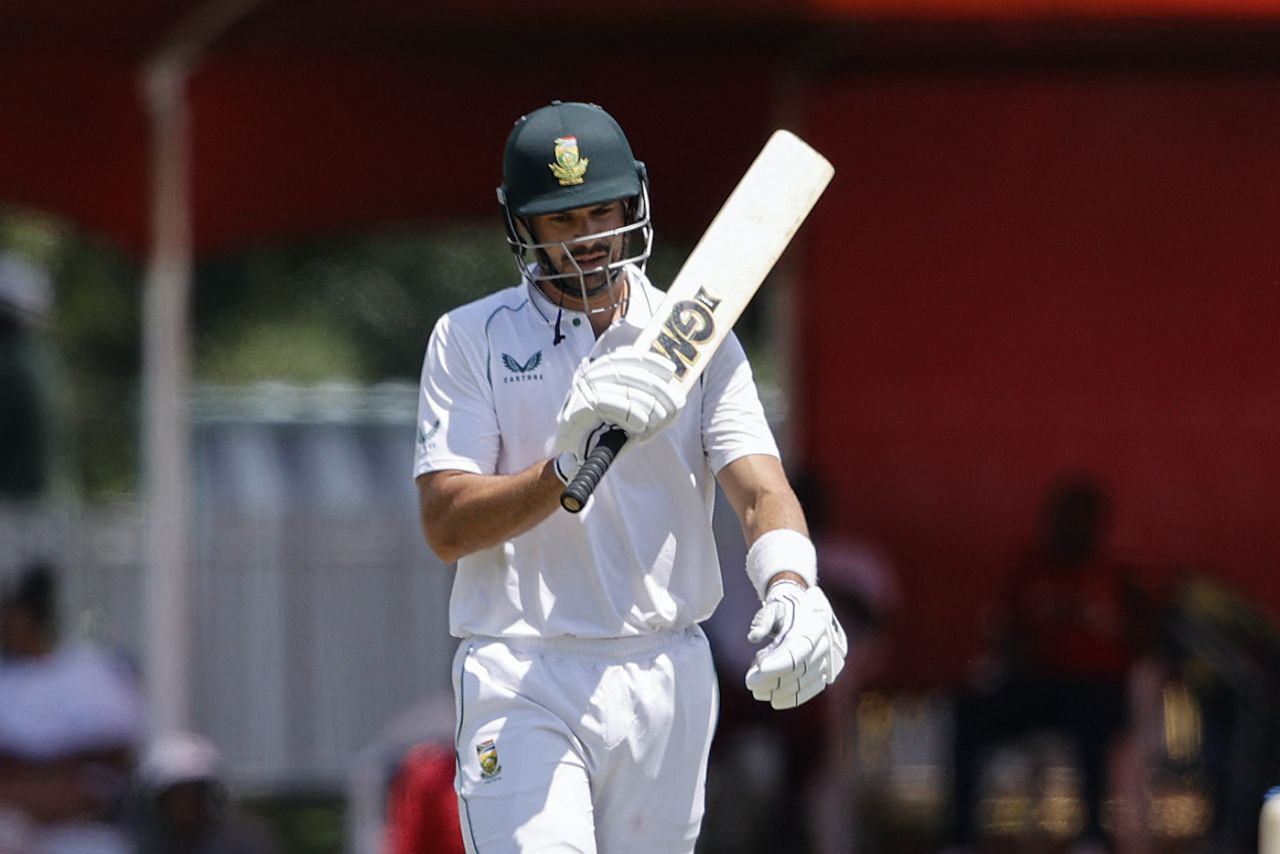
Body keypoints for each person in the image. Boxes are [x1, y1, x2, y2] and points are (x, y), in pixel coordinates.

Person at [413, 100, 848, 853]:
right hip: (525, 672)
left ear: (634, 200)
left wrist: (792, 583)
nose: (589, 239)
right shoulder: (470, 339)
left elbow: (760, 489)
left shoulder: (697, 333)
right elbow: (447, 525)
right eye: (563, 221)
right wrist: (561, 470)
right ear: (523, 226)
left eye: (601, 211)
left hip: (666, 671)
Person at [940, 476, 1147, 854]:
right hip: (1039, 686)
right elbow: (1003, 632)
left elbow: (1143, 646)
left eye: (1079, 519)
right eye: (1062, 517)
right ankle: (960, 839)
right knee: (966, 712)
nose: (1069, 526)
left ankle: (1093, 837)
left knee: (1094, 718)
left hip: (1095, 690)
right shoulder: (1030, 569)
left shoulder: (1116, 577)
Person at [0, 561, 148, 853]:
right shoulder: (6, 676)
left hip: (84, 813)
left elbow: (118, 745)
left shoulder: (86, 667)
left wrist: (46, 765)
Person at [132, 731, 278, 854]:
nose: (186, 804)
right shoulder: (138, 844)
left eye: (194, 793)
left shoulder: (244, 845)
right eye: (177, 795)